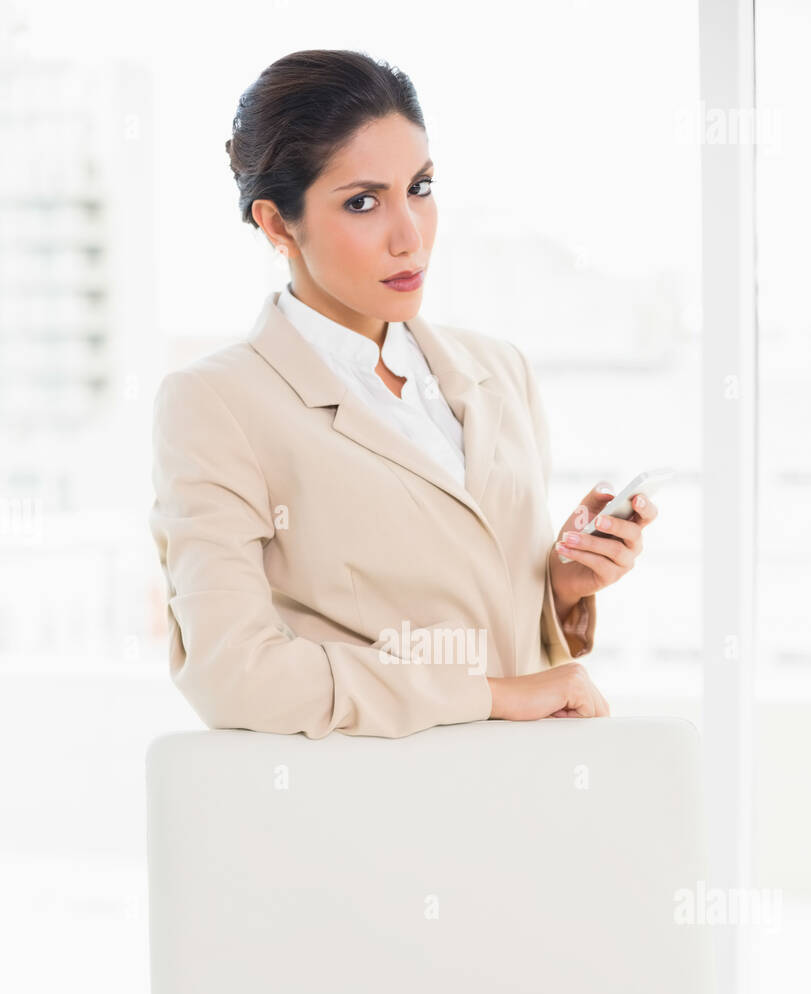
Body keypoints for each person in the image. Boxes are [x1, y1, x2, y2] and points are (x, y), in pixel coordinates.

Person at [149, 49, 657, 739]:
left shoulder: (498, 370)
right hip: (377, 809)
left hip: (528, 794)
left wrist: (561, 582)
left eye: (420, 186)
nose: (409, 235)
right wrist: (490, 695)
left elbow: (481, 618)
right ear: (277, 224)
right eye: (363, 202)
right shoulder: (217, 404)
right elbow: (232, 673)